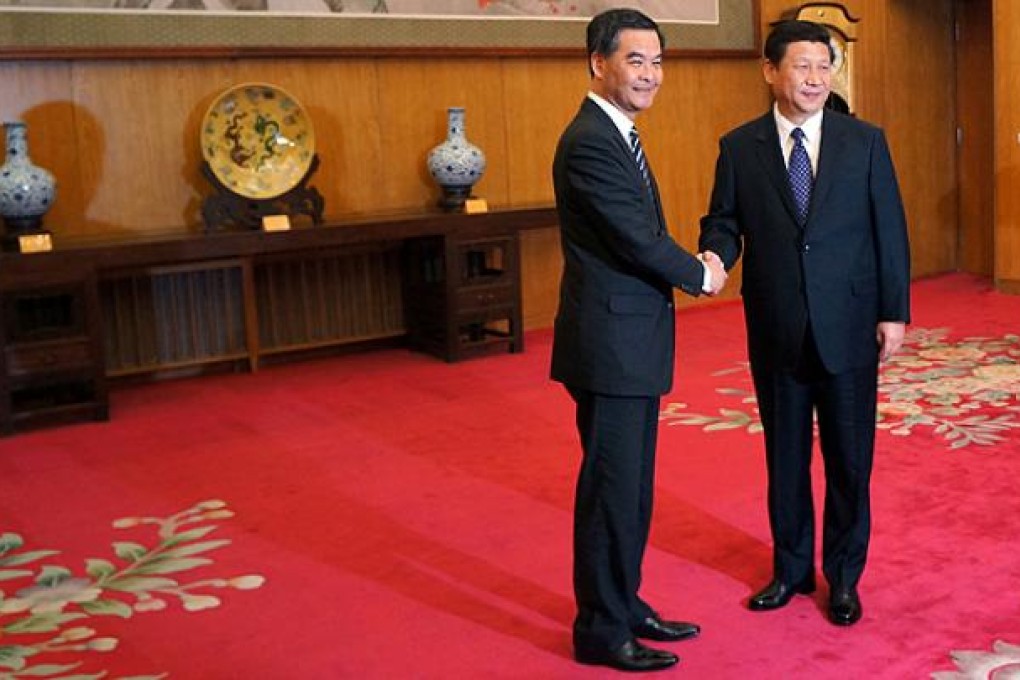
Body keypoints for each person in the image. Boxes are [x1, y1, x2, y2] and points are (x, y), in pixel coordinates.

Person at [699, 19, 911, 627]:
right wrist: (715, 253)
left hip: (849, 324)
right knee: (784, 458)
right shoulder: (739, 146)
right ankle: (790, 570)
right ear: (771, 72)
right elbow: (723, 220)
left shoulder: (864, 141)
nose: (815, 77)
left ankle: (843, 577)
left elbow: (888, 230)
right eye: (802, 65)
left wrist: (894, 310)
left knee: (850, 461)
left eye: (825, 65)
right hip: (777, 326)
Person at [551, 7, 726, 672]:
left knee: (632, 486)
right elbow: (634, 236)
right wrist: (700, 274)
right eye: (635, 60)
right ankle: (601, 627)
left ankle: (625, 602)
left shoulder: (617, 131)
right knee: (611, 489)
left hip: (628, 340)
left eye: (657, 61)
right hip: (610, 345)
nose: (650, 74)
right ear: (598, 62)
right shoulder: (592, 139)